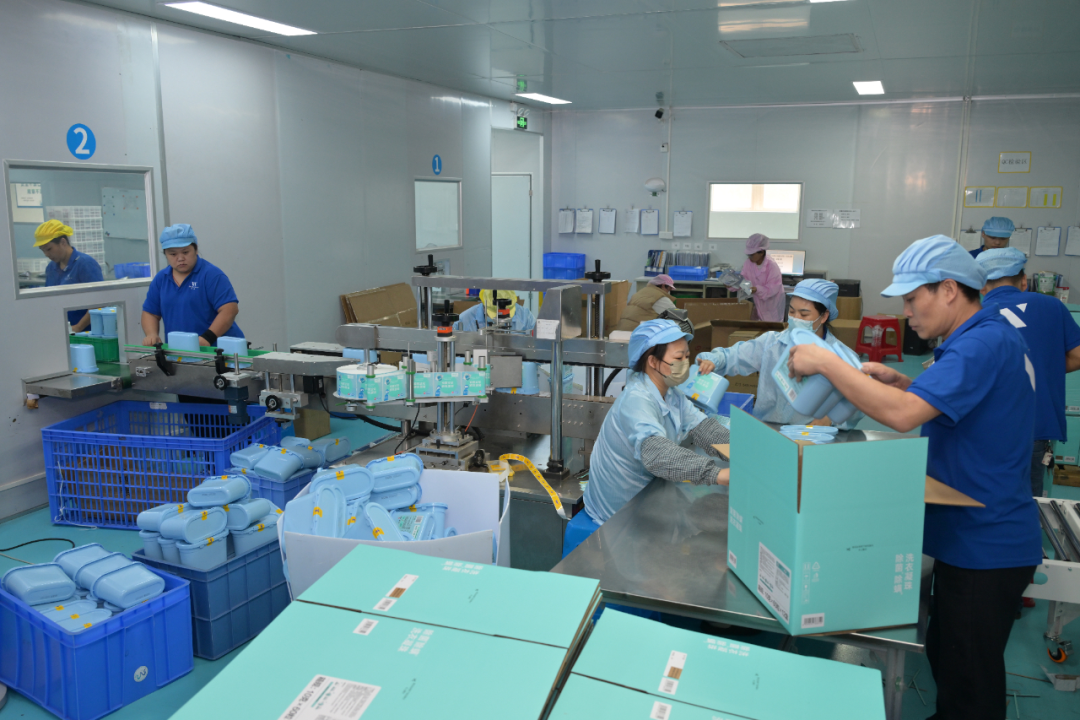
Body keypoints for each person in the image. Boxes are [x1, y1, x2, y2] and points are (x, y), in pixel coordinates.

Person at [786, 235, 1040, 720]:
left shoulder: (980, 343)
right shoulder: (984, 336)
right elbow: (960, 404)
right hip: (970, 535)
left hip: (986, 543)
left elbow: (903, 416)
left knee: (970, 686)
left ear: (949, 289)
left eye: (911, 299)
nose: (906, 313)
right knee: (949, 658)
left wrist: (826, 363)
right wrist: (907, 383)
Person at [583, 319, 730, 525]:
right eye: (678, 358)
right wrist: (717, 474)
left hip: (648, 492)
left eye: (687, 356)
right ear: (652, 361)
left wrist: (740, 451)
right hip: (618, 513)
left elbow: (704, 428)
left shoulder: (672, 394)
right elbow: (657, 453)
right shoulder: (635, 400)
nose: (685, 363)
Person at [976, 247, 1080, 498]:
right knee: (1029, 502)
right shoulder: (1053, 306)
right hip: (1036, 425)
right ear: (1024, 280)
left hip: (985, 428)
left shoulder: (974, 314)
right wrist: (1043, 368)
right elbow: (1077, 355)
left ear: (981, 285)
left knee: (985, 498)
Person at [694, 279, 864, 428]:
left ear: (824, 316)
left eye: (804, 314)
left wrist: (829, 419)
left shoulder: (840, 357)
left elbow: (859, 401)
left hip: (809, 436)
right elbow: (733, 356)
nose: (795, 318)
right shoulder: (771, 343)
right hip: (766, 429)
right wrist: (714, 360)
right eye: (792, 312)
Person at [141, 224, 242, 346]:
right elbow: (150, 313)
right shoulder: (161, 279)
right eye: (173, 254)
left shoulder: (212, 275)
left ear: (196, 249)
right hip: (180, 350)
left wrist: (207, 338)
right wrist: (151, 334)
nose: (180, 258)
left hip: (220, 350)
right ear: (165, 255)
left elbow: (229, 309)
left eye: (185, 252)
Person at [34, 219, 104, 332]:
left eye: (49, 249)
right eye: (43, 250)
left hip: (86, 332)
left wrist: (78, 327)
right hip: (61, 330)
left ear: (63, 242)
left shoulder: (85, 264)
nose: (46, 254)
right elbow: (49, 300)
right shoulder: (51, 268)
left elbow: (100, 301)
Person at [741, 234, 786, 322]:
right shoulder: (748, 263)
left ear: (761, 252)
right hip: (758, 302)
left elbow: (773, 288)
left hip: (772, 304)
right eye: (748, 255)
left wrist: (757, 289)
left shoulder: (772, 266)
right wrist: (733, 285)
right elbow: (744, 279)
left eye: (752, 255)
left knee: (772, 327)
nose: (749, 257)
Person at [613, 274, 678, 332]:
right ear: (663, 286)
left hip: (620, 332)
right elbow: (676, 317)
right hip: (637, 334)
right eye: (669, 289)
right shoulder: (660, 298)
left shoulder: (640, 292)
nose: (668, 292)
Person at [454, 289, 536, 332]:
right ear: (484, 305)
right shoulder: (465, 320)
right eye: (495, 315)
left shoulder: (526, 318)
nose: (500, 320)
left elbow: (539, 347)